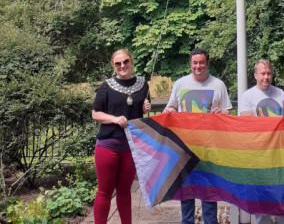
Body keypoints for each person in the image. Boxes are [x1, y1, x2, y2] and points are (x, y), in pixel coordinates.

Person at [164, 48, 232, 224]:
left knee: (209, 195)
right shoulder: (180, 84)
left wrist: (222, 113)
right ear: (190, 64)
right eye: (195, 63)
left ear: (207, 63)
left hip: (209, 150)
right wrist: (169, 111)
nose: (198, 66)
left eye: (201, 62)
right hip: (184, 149)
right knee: (186, 196)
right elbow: (171, 107)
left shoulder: (218, 85)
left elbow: (227, 112)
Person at [91, 49, 152, 224]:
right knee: (104, 191)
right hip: (108, 146)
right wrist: (114, 119)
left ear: (131, 61)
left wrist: (145, 108)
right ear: (113, 66)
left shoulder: (142, 83)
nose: (122, 66)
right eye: (118, 63)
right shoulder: (106, 86)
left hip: (131, 147)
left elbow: (138, 112)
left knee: (125, 191)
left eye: (125, 61)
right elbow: (95, 114)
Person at [238, 59, 284, 224]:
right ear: (256, 75)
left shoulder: (280, 94)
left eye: (269, 73)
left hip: (279, 156)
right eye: (262, 73)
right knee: (261, 202)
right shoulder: (248, 96)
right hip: (259, 158)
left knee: (282, 198)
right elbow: (249, 126)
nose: (266, 77)